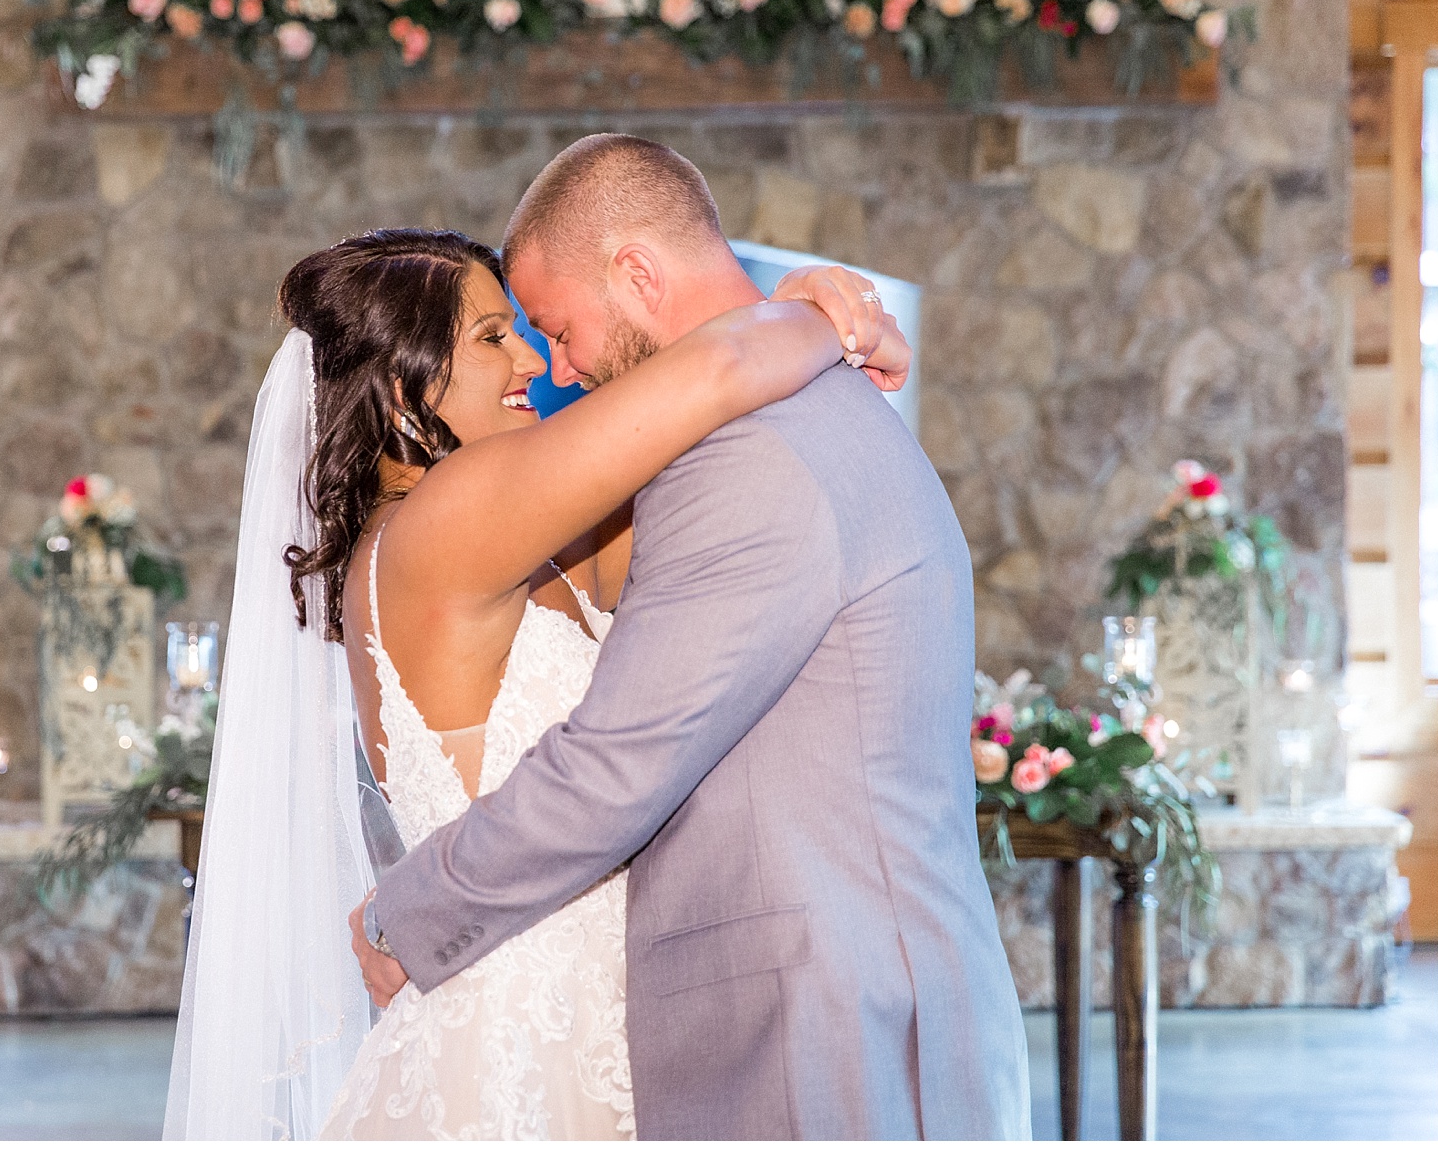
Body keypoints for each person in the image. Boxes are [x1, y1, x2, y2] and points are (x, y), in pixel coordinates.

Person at [163, 215, 908, 1139]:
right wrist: (829, 311)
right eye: (492, 337)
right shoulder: (450, 514)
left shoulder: (525, 541)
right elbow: (716, 373)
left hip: (596, 1010)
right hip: (519, 1033)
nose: (536, 363)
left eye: (521, 327)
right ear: (403, 392)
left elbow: (702, 476)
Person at [352, 135, 1033, 1140]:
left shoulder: (744, 459)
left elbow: (620, 763)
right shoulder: (799, 413)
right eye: (508, 336)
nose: (556, 365)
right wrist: (814, 310)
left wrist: (405, 914)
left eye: (551, 325)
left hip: (817, 1020)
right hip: (816, 997)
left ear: (634, 271)